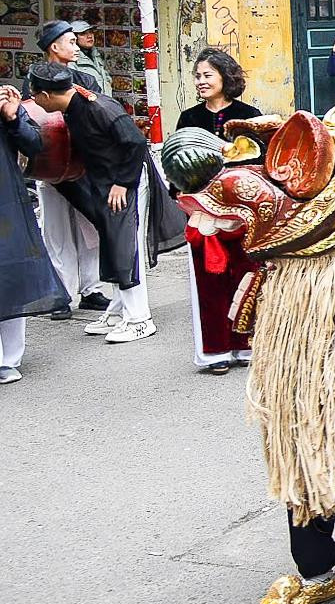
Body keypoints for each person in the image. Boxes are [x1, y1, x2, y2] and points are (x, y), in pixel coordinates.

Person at [26, 62, 168, 344]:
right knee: (112, 244)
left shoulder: (98, 107)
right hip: (107, 182)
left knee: (129, 248)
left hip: (127, 181)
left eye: (34, 96)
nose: (34, 102)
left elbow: (136, 143)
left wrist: (122, 184)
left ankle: (140, 319)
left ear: (46, 95)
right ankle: (118, 312)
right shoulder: (73, 108)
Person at [173, 48, 262, 373]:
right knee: (209, 280)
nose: (201, 81)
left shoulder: (250, 115)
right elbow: (177, 163)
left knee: (246, 277)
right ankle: (216, 350)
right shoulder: (189, 119)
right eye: (197, 76)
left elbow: (262, 163)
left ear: (226, 76)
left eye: (207, 75)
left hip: (242, 211)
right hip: (203, 212)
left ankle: (245, 345)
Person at [33, 20, 103, 319]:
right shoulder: (35, 79)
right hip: (50, 167)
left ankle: (91, 288)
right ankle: (61, 294)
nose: (76, 46)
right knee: (57, 232)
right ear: (54, 46)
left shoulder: (84, 79)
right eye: (71, 41)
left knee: (90, 229)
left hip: (82, 162)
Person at [0, 81, 66, 384]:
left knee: (13, 275)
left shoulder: (6, 101)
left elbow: (35, 144)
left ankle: (9, 359)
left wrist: (13, 118)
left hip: (6, 204)